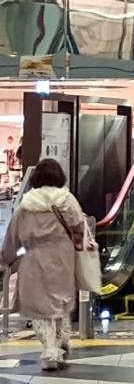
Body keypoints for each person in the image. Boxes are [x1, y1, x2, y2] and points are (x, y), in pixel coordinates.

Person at [1, 158, 86, 370]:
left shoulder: (26, 204)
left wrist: (6, 259)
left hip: (34, 259)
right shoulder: (68, 200)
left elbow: (13, 236)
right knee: (61, 304)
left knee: (40, 309)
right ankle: (60, 343)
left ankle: (49, 350)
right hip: (63, 258)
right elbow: (80, 228)